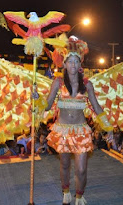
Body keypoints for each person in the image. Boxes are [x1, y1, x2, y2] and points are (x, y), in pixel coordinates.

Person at [45, 36, 114, 205]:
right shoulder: (58, 82)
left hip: (81, 131)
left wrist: (109, 127)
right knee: (65, 165)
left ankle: (79, 195)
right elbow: (46, 105)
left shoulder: (87, 84)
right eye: (70, 62)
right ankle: (66, 191)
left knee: (81, 169)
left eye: (76, 62)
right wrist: (36, 100)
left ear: (80, 64)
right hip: (62, 130)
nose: (73, 65)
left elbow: (97, 108)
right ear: (64, 64)